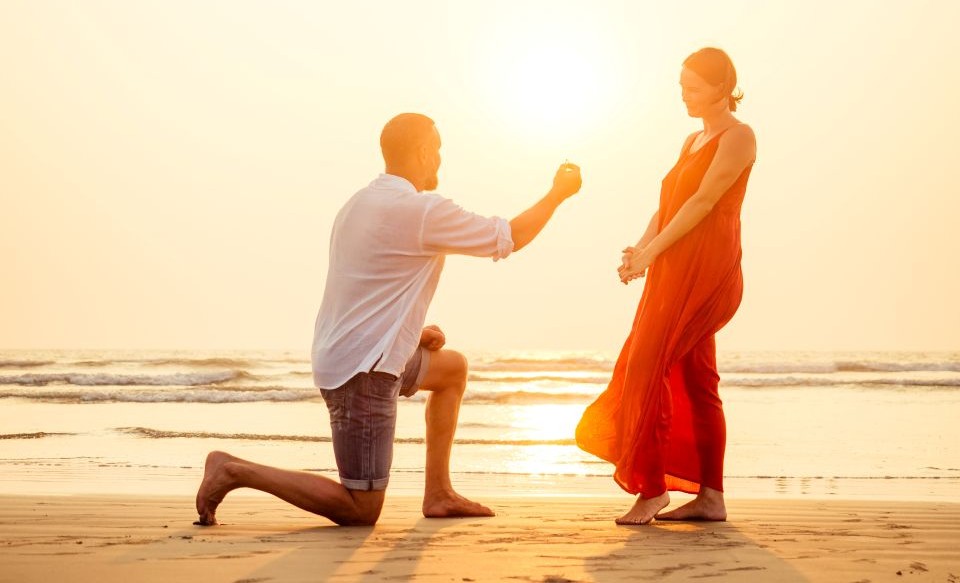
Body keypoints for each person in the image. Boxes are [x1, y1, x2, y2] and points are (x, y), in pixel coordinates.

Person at [195, 113, 582, 526]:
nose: (439, 160)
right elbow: (509, 237)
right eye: (437, 150)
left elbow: (370, 288)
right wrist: (557, 194)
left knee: (452, 369)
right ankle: (233, 470)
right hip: (363, 372)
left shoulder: (358, 204)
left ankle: (438, 494)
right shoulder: (420, 211)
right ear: (422, 152)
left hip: (360, 355)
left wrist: (412, 333)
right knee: (361, 508)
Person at [576, 48, 757, 525]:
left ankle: (653, 490)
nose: (684, 96)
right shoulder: (691, 141)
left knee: (645, 365)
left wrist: (653, 253)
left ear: (722, 87)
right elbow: (670, 202)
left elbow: (702, 201)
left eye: (693, 88)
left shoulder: (739, 137)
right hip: (672, 267)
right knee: (698, 381)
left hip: (707, 269)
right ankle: (710, 498)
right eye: (681, 87)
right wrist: (640, 249)